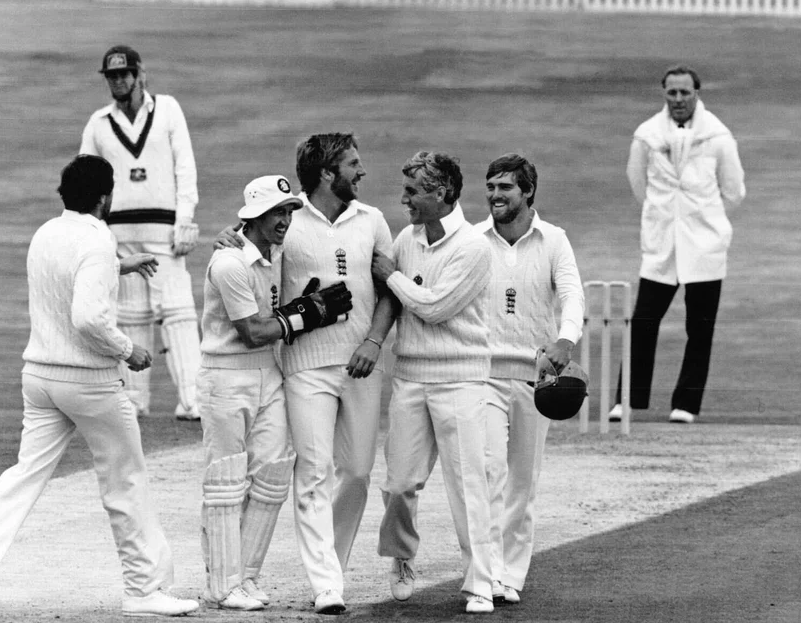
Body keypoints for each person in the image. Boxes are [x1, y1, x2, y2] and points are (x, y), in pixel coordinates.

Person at [0, 155, 199, 619]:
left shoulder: (46, 232)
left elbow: (68, 274)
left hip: (39, 378)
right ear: (105, 197)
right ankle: (144, 589)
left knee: (22, 477)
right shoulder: (98, 240)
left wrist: (119, 267)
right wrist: (128, 350)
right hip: (89, 383)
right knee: (125, 480)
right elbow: (87, 317)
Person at [214, 133, 394, 615]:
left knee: (357, 472)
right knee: (313, 471)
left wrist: (374, 342)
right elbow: (248, 242)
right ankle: (326, 583)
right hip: (305, 366)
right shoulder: (288, 222)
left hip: (363, 364)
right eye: (353, 164)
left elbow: (389, 292)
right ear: (327, 173)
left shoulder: (372, 220)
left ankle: (334, 565)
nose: (361, 171)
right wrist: (227, 238)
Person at [197, 174, 353, 612]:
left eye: (288, 212)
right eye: (275, 213)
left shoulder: (276, 252)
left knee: (271, 476)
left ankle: (245, 576)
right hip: (226, 378)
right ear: (253, 217)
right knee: (226, 481)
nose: (284, 220)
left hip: (269, 374)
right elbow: (251, 332)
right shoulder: (229, 264)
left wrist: (300, 310)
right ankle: (221, 585)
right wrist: (305, 316)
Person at [370, 151, 496, 614]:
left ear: (441, 193)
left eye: (412, 192)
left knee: (467, 484)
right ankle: (402, 557)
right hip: (410, 377)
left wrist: (393, 276)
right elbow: (397, 299)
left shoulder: (474, 247)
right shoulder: (408, 238)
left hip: (461, 379)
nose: (404, 200)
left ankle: (480, 582)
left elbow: (436, 307)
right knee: (399, 482)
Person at [475, 153, 585, 605]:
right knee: (488, 473)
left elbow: (572, 293)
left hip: (535, 379)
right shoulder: (474, 239)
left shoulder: (554, 239)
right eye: (491, 186)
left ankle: (510, 575)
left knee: (522, 482)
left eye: (505, 187)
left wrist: (566, 339)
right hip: (482, 375)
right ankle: (486, 572)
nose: (495, 195)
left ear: (528, 191)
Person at [609, 65, 746, 425]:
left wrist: (704, 218)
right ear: (664, 94)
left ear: (697, 93)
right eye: (672, 92)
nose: (679, 99)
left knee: (700, 328)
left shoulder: (718, 136)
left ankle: (686, 404)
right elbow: (637, 183)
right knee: (643, 321)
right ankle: (627, 400)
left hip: (705, 245)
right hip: (662, 245)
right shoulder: (647, 135)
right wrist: (662, 215)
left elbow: (734, 191)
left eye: (685, 92)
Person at [79, 45, 203, 421]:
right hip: (119, 232)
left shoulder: (168, 109)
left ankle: (193, 399)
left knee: (177, 311)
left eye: (123, 74)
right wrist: (91, 230)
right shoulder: (99, 123)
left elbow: (185, 166)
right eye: (111, 76)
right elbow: (84, 179)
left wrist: (185, 219)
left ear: (139, 75)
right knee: (131, 314)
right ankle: (133, 400)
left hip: (164, 230)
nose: (118, 81)